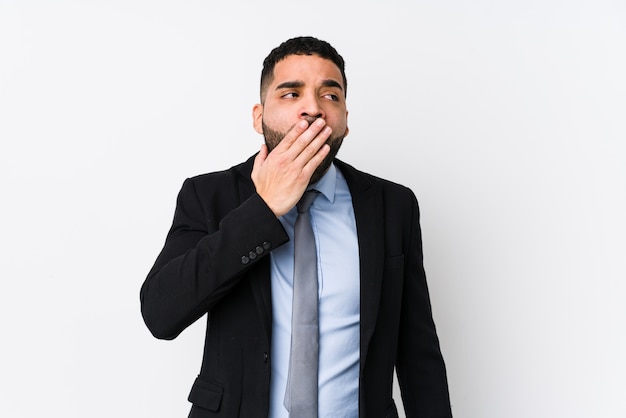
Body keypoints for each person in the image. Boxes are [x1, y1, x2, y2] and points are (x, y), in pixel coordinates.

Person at [140, 36, 452, 418]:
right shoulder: (208, 195)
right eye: (291, 94)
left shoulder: (393, 205)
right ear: (259, 117)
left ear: (346, 121)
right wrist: (263, 209)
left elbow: (418, 353)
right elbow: (160, 313)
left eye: (330, 96)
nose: (313, 109)